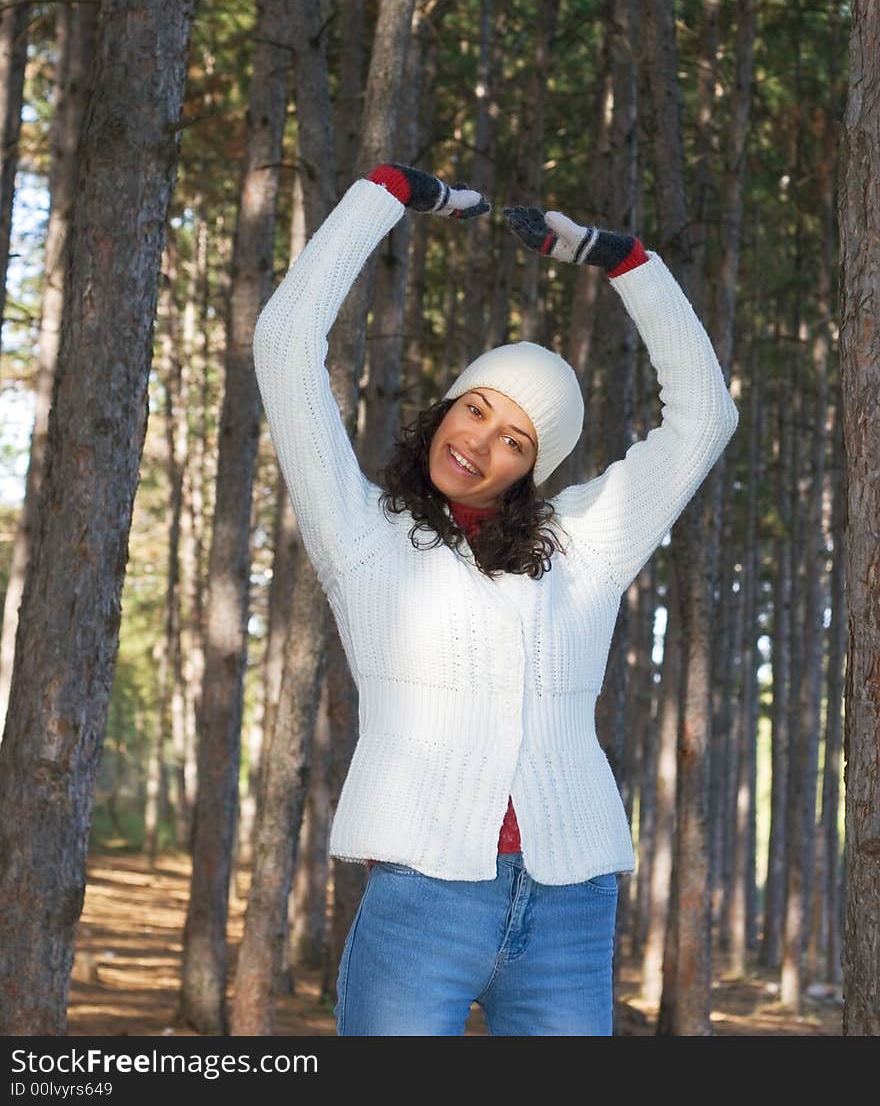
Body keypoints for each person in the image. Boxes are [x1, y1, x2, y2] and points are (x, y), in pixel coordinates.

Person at [252, 162, 739, 1036]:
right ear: (444, 409)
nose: (480, 443)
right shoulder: (361, 530)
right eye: (474, 410)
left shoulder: (582, 545)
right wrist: (388, 195)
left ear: (531, 467)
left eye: (514, 438)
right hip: (420, 905)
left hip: (569, 905)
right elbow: (287, 341)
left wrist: (625, 264)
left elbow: (704, 419)